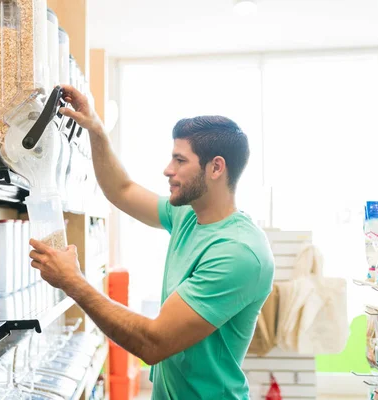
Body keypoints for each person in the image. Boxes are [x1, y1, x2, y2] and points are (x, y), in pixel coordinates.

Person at [29, 84, 275, 400]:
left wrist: (73, 281)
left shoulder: (239, 253)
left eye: (180, 160)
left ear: (215, 167)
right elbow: (122, 189)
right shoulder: (188, 214)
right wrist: (95, 128)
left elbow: (154, 343)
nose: (167, 170)